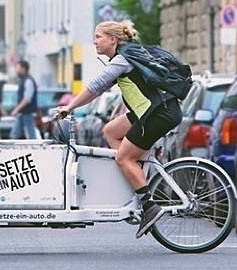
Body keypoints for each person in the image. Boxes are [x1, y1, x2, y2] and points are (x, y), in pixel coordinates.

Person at [54, 20, 183, 238]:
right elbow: (100, 90)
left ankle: (148, 204)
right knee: (111, 131)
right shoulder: (125, 56)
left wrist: (69, 107)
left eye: (98, 37)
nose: (94, 41)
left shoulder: (124, 59)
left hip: (159, 114)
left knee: (124, 158)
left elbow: (94, 86)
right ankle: (137, 179)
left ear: (112, 40)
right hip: (151, 111)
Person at [10, 59, 38, 139]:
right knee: (14, 135)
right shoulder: (23, 80)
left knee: (30, 135)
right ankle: (12, 149)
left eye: (17, 67)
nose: (16, 69)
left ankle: (34, 149)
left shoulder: (28, 81)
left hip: (28, 112)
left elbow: (27, 99)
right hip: (23, 112)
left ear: (23, 68)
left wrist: (16, 109)